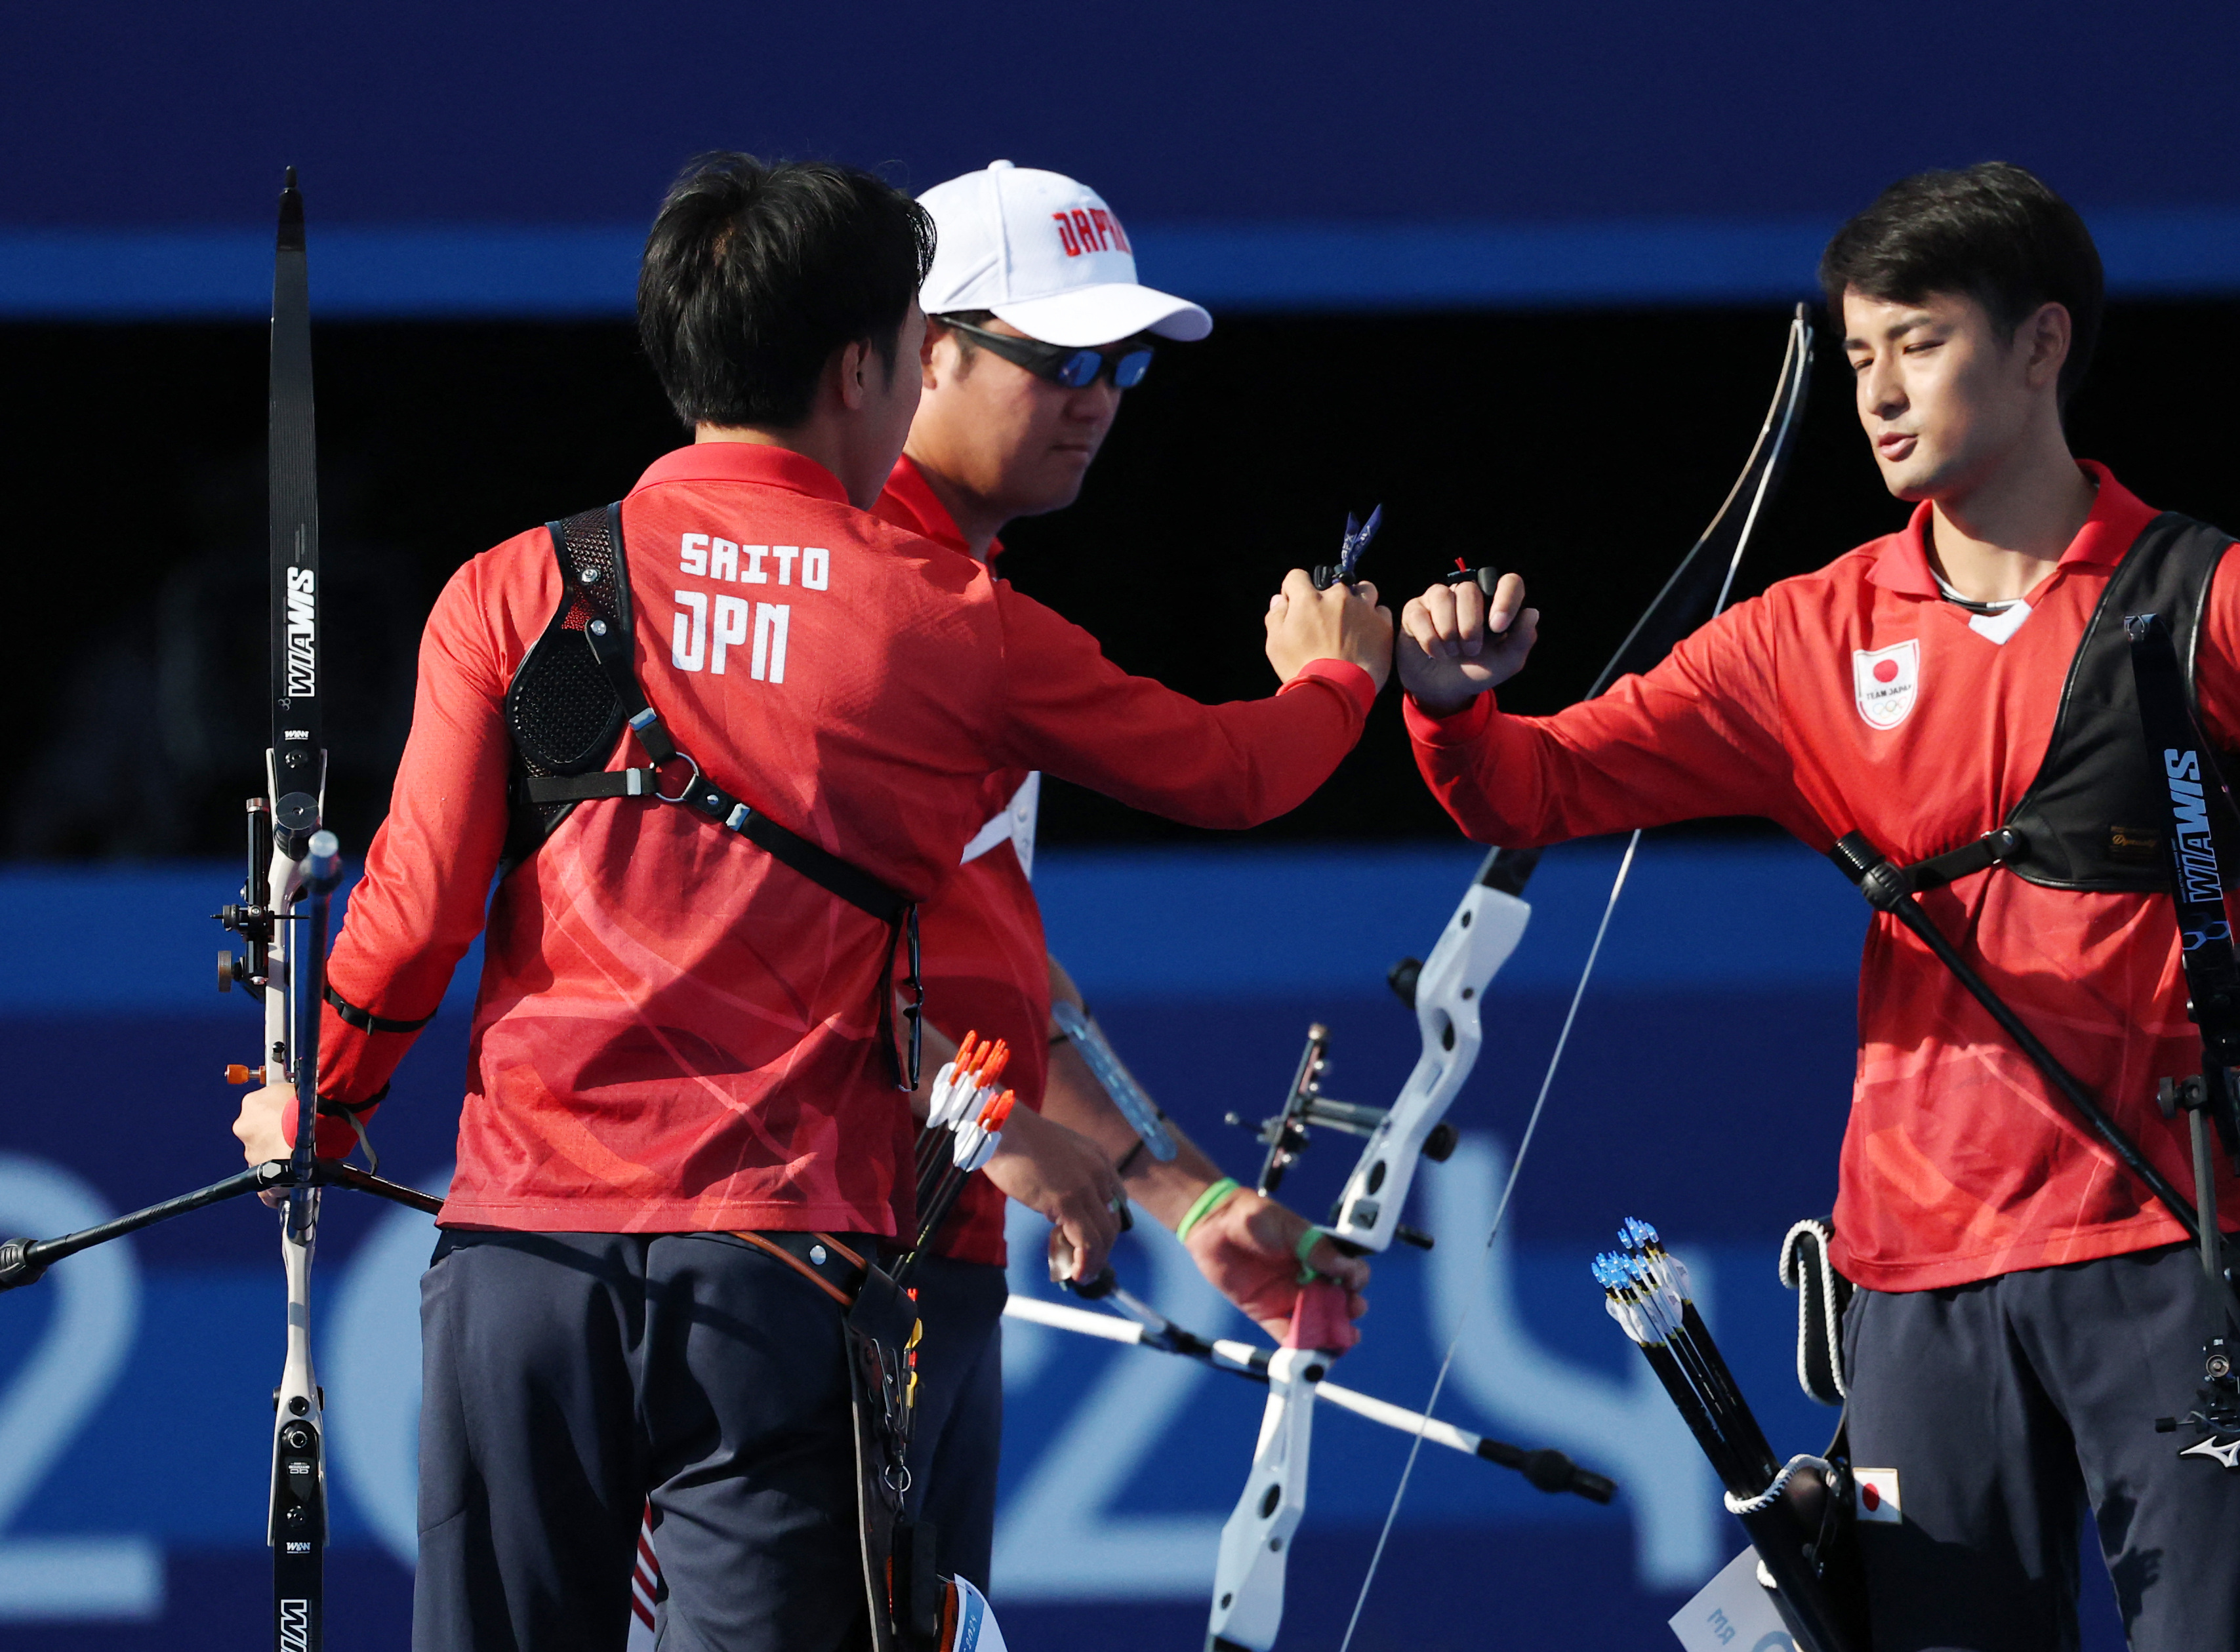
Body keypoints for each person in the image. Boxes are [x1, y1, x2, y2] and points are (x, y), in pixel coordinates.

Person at [229, 151, 1393, 1652]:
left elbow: (409, 912)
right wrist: (1341, 673)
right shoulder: (944, 621)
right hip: (773, 1284)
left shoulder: (515, 584)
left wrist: (312, 1109)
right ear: (866, 366)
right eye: (920, 349)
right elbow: (1233, 772)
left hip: (519, 1269)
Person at [1392, 163, 2240, 1651]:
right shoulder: (1801, 638)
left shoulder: (2229, 598)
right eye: (1856, 357)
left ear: (2039, 346)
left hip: (2162, 1249)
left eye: (1920, 342)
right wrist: (1447, 711)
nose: (1877, 393)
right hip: (1913, 1279)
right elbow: (1535, 791)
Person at [872, 160, 1372, 1593]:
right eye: (1059, 356)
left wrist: (1187, 1200)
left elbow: (992, 969)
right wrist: (1337, 678)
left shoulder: (966, 600)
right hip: (817, 1257)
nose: (1099, 393)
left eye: (1124, 361)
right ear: (927, 351)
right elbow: (1232, 773)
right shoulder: (880, 605)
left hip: (932, 1248)